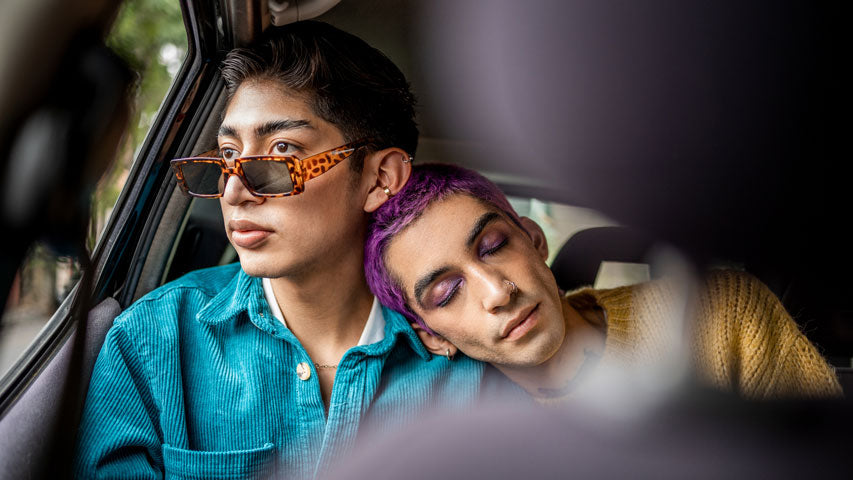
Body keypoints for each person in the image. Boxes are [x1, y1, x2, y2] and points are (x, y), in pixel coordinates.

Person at [74, 22, 513, 479]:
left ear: (380, 178)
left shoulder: (470, 356)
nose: (234, 192)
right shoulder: (153, 339)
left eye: (281, 151)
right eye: (227, 156)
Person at [365, 163, 843, 403]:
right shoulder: (462, 433)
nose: (497, 291)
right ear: (429, 334)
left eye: (494, 246)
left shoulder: (720, 311)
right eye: (447, 293)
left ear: (533, 239)